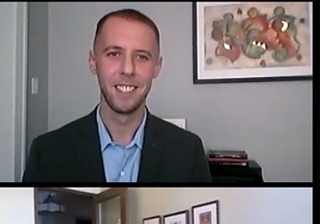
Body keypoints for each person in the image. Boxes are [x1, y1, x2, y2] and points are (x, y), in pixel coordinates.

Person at [22, 9, 211, 182]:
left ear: (157, 67)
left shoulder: (189, 151)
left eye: (142, 57)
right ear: (93, 62)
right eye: (114, 54)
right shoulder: (46, 153)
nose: (128, 69)